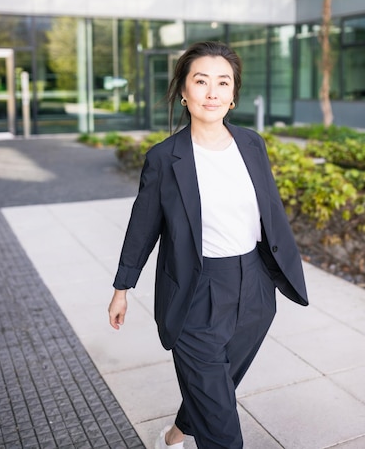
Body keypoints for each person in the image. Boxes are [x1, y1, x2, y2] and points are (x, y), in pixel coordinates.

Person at [108, 40, 308, 449]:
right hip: (195, 291)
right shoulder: (165, 158)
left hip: (253, 286)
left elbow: (268, 210)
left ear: (233, 95)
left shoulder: (252, 144)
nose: (212, 92)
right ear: (184, 91)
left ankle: (175, 435)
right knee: (221, 421)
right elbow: (142, 227)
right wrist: (122, 288)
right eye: (201, 81)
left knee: (217, 383)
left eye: (223, 82)